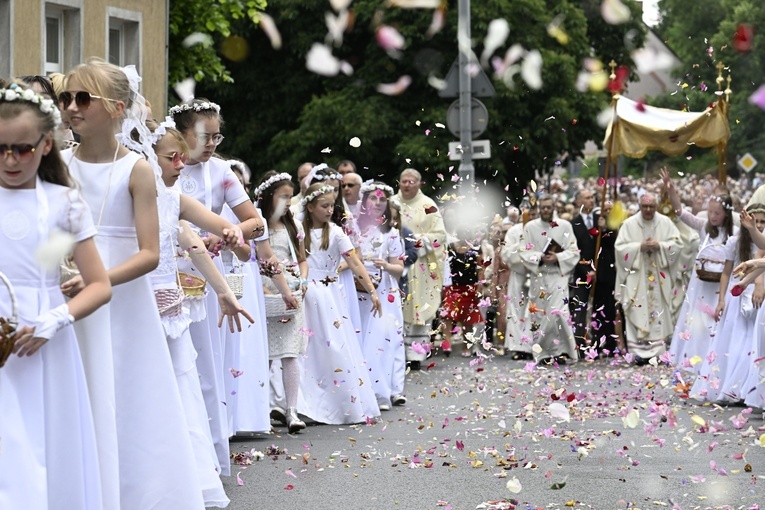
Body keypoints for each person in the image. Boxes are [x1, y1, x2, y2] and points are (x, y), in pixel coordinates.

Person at [60, 59, 205, 509]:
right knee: (76, 395)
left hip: (121, 305)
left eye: (83, 98)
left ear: (117, 107)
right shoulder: (58, 164)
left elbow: (149, 253)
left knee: (124, 395)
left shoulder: (137, 170)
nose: (71, 107)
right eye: (66, 97)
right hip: (67, 294)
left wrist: (95, 276)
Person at [0, 82, 111, 510]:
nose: (11, 159)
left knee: (44, 443)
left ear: (46, 145)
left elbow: (98, 284)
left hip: (44, 338)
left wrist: (55, 319)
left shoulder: (64, 202)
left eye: (23, 149)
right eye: (1, 148)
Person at [151, 122, 254, 507]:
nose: (181, 164)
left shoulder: (173, 198)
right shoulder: (133, 193)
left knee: (183, 384)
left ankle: (178, 477)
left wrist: (226, 288)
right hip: (134, 302)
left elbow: (200, 237)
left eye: (181, 156)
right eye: (172, 157)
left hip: (170, 304)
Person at [170, 97, 273, 474]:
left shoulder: (222, 171)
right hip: (167, 271)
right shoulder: (161, 166)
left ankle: (209, 460)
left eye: (217, 136)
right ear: (181, 134)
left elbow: (255, 222)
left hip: (205, 278)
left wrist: (229, 231)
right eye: (204, 136)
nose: (212, 143)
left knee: (205, 365)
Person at [297, 183, 382, 424]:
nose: (328, 210)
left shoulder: (335, 233)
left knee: (332, 345)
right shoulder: (299, 232)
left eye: (331, 206)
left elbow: (355, 263)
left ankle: (338, 400)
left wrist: (372, 291)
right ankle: (302, 403)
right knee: (305, 347)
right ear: (310, 207)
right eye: (323, 206)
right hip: (305, 291)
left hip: (328, 294)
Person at [662, 169, 736, 372]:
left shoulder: (735, 233)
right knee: (700, 323)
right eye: (710, 212)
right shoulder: (704, 226)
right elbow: (681, 213)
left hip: (722, 285)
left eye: (717, 213)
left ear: (727, 214)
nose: (712, 216)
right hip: (702, 285)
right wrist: (672, 191)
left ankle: (717, 362)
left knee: (718, 324)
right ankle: (696, 360)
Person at [691, 203, 765, 402]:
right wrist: (723, 298)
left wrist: (758, 284)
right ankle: (734, 387)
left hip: (759, 293)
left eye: (762, 222)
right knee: (737, 342)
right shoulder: (735, 241)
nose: (759, 225)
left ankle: (750, 390)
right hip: (739, 294)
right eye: (755, 221)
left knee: (755, 344)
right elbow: (727, 272)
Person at [253, 171, 309, 433]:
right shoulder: (255, 223)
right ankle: (259, 409)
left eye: (290, 196)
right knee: (263, 355)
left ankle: (292, 409)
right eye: (283, 196)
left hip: (290, 292)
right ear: (269, 197)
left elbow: (301, 260)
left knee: (290, 353)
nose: (289, 201)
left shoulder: (291, 225)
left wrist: (304, 282)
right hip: (264, 290)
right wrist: (263, 287)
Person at [355, 181, 407, 410]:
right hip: (357, 290)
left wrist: (385, 265)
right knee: (359, 339)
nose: (377, 203)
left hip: (384, 291)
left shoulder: (392, 234)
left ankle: (383, 390)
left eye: (382, 200)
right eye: (373, 198)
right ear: (364, 201)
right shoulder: (353, 229)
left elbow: (400, 268)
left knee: (384, 341)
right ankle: (360, 388)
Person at [614, 192, 681, 364]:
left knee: (657, 312)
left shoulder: (665, 223)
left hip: (659, 278)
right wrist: (638, 247)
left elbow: (677, 245)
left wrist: (660, 246)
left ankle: (657, 352)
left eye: (651, 206)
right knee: (637, 309)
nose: (648, 210)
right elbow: (620, 248)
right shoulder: (629, 224)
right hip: (636, 277)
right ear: (639, 206)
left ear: (656, 206)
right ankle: (638, 353)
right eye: (645, 207)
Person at [395, 168, 446, 369]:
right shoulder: (392, 203)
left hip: (421, 265)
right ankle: (396, 353)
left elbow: (440, 236)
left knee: (420, 306)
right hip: (396, 263)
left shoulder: (428, 205)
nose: (407, 185)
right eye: (403, 181)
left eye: (411, 181)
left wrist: (416, 242)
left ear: (419, 183)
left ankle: (415, 356)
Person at [519, 194, 580, 365]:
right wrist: (539, 256)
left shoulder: (564, 225)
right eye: (543, 207)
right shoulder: (530, 227)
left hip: (558, 275)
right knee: (542, 315)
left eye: (548, 207)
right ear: (539, 208)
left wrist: (558, 257)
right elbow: (523, 251)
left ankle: (562, 351)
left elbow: (574, 252)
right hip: (539, 276)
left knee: (559, 313)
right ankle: (544, 353)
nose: (546, 210)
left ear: (554, 207)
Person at [441, 225, 486, 357]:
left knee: (467, 318)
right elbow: (443, 264)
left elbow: (481, 268)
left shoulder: (476, 247)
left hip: (469, 286)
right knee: (446, 315)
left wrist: (480, 286)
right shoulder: (449, 247)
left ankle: (466, 346)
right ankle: (447, 343)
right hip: (452, 287)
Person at [502, 205, 537, 360]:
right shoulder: (514, 232)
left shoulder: (546, 230)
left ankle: (534, 346)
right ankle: (518, 347)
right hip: (519, 274)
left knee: (534, 311)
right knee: (516, 311)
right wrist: (522, 246)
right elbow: (506, 254)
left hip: (537, 275)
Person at [569, 189, 598, 354]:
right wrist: (586, 270)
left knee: (599, 308)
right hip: (581, 273)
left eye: (592, 197)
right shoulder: (573, 224)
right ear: (579, 201)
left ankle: (599, 343)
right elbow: (574, 251)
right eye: (587, 198)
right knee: (580, 309)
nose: (591, 201)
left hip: (600, 272)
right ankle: (578, 345)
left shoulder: (599, 220)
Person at [590, 201, 620, 356]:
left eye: (610, 210)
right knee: (598, 311)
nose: (607, 212)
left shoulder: (615, 227)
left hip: (612, 275)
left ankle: (611, 342)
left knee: (610, 312)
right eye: (605, 210)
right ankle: (597, 343)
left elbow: (614, 243)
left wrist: (606, 229)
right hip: (599, 275)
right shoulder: (596, 227)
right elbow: (594, 244)